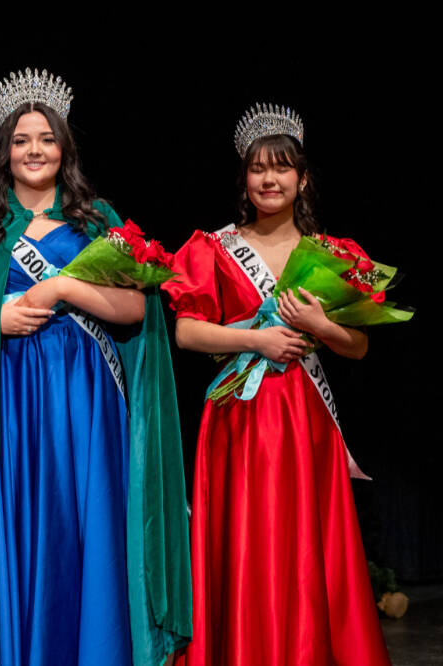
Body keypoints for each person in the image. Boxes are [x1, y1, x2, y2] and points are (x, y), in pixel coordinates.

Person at [0, 68, 191, 666]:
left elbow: (136, 309)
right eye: (20, 140)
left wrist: (62, 285)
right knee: (11, 529)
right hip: (3, 397)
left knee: (80, 529)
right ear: (3, 152)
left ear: (65, 147)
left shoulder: (98, 222)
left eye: (46, 138)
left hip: (86, 399)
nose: (34, 150)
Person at [164, 104, 391, 665]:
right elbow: (188, 334)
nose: (270, 180)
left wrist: (318, 326)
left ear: (303, 177)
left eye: (282, 168)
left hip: (304, 418)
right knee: (247, 546)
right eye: (258, 169)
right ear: (244, 177)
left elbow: (358, 346)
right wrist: (257, 341)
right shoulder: (212, 249)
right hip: (239, 415)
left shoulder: (334, 256)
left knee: (305, 546)